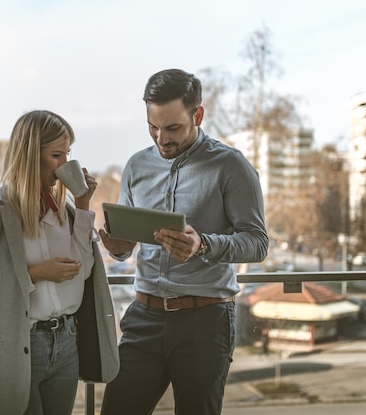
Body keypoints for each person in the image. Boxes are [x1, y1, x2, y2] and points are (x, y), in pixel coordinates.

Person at [98, 68, 268, 415]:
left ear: (198, 115)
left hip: (204, 324)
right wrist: (118, 247)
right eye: (153, 127)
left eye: (172, 127)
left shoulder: (230, 166)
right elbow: (127, 245)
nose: (161, 138)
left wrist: (203, 245)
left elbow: (257, 243)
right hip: (143, 317)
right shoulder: (136, 166)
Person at [0, 110, 119, 415]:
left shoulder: (66, 211)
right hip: (16, 343)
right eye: (56, 155)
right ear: (29, 155)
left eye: (68, 154)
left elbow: (84, 271)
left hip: (66, 342)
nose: (66, 164)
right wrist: (36, 274)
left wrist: (83, 204)